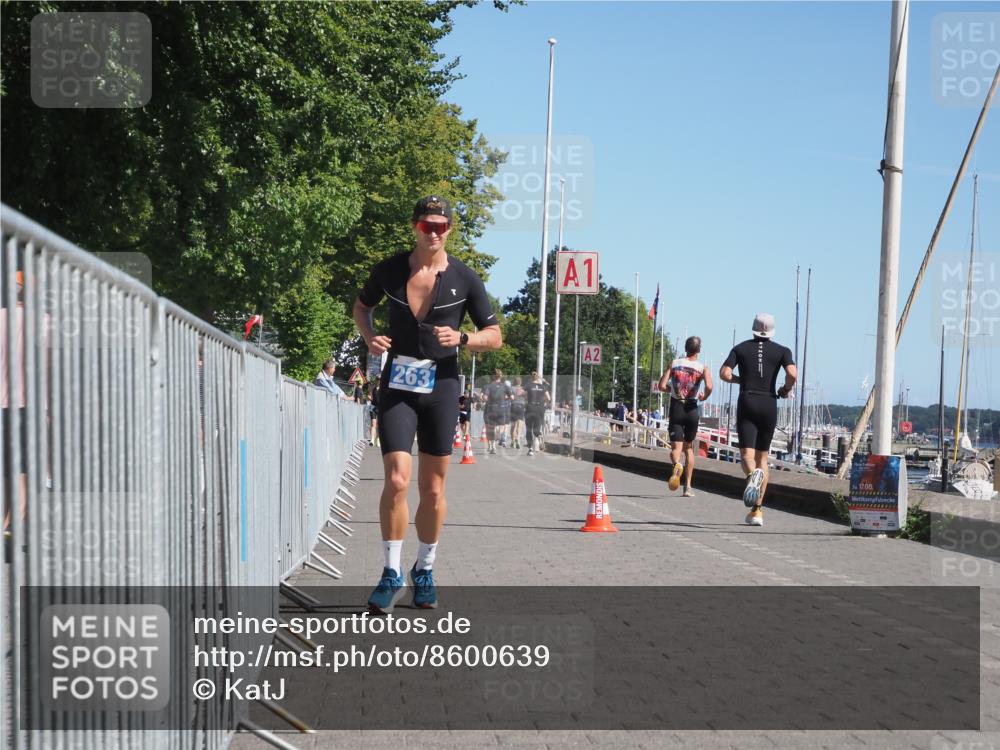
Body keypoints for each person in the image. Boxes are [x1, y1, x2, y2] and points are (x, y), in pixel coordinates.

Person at [353, 196, 501, 612]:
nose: (433, 232)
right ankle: (390, 571)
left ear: (450, 229)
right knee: (397, 481)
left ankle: (426, 569)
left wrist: (465, 339)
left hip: (442, 387)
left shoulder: (465, 278)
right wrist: (369, 338)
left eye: (440, 225)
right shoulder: (390, 270)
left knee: (432, 488)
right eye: (425, 225)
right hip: (398, 384)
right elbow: (361, 308)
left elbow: (495, 334)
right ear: (414, 227)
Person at [720, 313, 797, 527]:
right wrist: (785, 388)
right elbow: (793, 373)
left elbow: (724, 373)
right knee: (764, 459)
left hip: (747, 401)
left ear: (753, 328)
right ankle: (757, 512)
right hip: (769, 404)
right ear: (772, 330)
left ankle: (752, 475)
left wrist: (740, 380)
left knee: (746, 455)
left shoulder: (741, 348)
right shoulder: (783, 351)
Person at [658, 336, 713, 497]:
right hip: (692, 409)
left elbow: (661, 385)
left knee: (676, 448)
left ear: (685, 348)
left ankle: (677, 464)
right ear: (699, 350)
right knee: (689, 448)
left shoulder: (674, 364)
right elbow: (709, 386)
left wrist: (672, 390)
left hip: (677, 407)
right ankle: (688, 487)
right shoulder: (703, 368)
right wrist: (705, 396)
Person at [482, 369, 508, 454]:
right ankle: (491, 444)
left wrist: (485, 400)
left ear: (493, 377)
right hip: (497, 408)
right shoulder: (487, 386)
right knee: (494, 428)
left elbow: (483, 397)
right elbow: (511, 396)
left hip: (489, 408)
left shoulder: (489, 386)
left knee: (489, 428)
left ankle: (491, 444)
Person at [524, 372, 549, 456]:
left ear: (531, 378)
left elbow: (523, 395)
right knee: (536, 429)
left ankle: (530, 449)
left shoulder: (528, 385)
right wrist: (543, 403)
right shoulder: (542, 387)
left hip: (530, 408)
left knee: (529, 429)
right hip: (540, 409)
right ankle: (539, 435)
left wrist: (526, 399)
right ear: (538, 378)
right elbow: (548, 398)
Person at [508, 376, 527, 449]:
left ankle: (512, 441)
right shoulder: (523, 389)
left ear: (514, 382)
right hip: (521, 407)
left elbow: (509, 397)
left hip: (513, 406)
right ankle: (518, 439)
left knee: (513, 426)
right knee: (520, 424)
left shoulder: (511, 388)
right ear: (521, 382)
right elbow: (526, 397)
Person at [368, 375, 380, 447]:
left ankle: (378, 439)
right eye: (378, 379)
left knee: (379, 425)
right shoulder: (372, 388)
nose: (379, 380)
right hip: (373, 407)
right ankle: (372, 439)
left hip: (381, 408)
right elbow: (369, 396)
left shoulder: (384, 388)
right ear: (376, 380)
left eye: (380, 379)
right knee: (373, 424)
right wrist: (370, 398)